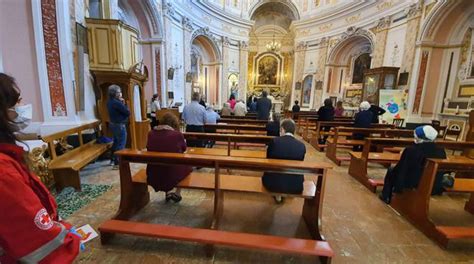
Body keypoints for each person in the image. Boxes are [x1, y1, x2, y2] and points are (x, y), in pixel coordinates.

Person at [0, 73, 82, 263]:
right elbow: (31, 233)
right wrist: (70, 240)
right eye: (15, 103)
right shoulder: (3, 172)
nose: (21, 108)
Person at [379, 125, 447, 204]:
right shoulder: (441, 150)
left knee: (391, 170)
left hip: (413, 183)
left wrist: (398, 185)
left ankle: (386, 196)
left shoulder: (411, 150)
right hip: (434, 184)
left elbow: (402, 168)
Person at [146, 113, 192, 202]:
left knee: (165, 163)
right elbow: (184, 148)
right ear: (174, 123)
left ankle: (167, 193)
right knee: (187, 166)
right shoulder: (177, 135)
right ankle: (177, 193)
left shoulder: (151, 133)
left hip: (154, 172)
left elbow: (148, 147)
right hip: (171, 173)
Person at [262, 119, 306, 203]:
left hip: (272, 184)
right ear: (294, 131)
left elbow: (268, 160)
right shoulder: (301, 146)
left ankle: (278, 194)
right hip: (295, 185)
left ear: (282, 129)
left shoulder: (274, 141)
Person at [107, 84, 130, 168]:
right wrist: (123, 103)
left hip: (113, 124)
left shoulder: (109, 101)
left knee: (116, 142)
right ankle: (118, 163)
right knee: (121, 143)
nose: (121, 93)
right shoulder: (117, 103)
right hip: (120, 125)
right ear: (116, 93)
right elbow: (127, 112)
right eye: (119, 92)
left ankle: (112, 160)